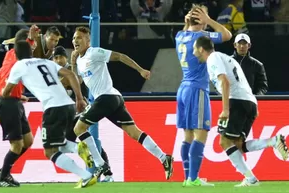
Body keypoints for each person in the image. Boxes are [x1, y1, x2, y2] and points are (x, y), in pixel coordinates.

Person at [71, 26, 173, 180]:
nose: (75, 41)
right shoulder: (79, 60)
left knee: (79, 128)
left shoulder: (94, 52)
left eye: (79, 38)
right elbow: (78, 81)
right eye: (73, 38)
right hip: (114, 98)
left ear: (87, 40)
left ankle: (100, 164)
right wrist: (73, 63)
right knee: (134, 132)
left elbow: (119, 56)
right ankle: (164, 158)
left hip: (106, 97)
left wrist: (140, 70)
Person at [193, 36, 289, 187]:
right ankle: (272, 142)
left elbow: (225, 81)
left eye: (194, 50)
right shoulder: (228, 59)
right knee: (238, 144)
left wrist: (225, 110)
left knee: (224, 142)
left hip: (236, 101)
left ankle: (250, 178)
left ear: (201, 49)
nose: (194, 53)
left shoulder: (213, 58)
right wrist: (253, 105)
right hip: (248, 102)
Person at [2, 41, 97, 188]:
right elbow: (71, 74)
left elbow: (6, 92)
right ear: (31, 52)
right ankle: (74, 147)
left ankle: (85, 174)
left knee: (49, 151)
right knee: (59, 145)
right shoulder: (46, 62)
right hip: (68, 105)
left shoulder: (19, 66)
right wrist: (79, 98)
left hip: (53, 108)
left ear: (16, 54)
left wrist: (11, 95)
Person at [175, 4, 232, 186]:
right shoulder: (202, 37)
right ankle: (193, 179)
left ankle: (186, 178)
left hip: (183, 88)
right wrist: (209, 21)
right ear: (200, 20)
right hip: (197, 89)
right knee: (201, 134)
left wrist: (188, 23)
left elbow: (187, 31)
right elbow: (227, 35)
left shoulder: (179, 35)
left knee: (188, 136)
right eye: (205, 16)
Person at [52, 46, 115, 181]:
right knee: (71, 146)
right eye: (55, 58)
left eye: (60, 57)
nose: (58, 60)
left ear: (66, 57)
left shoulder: (71, 69)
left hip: (82, 113)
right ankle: (102, 168)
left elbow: (78, 80)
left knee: (83, 143)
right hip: (70, 117)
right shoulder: (55, 73)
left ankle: (104, 172)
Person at [0, 25, 62, 103]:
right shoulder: (36, 40)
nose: (53, 43)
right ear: (45, 36)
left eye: (56, 41)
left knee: (19, 73)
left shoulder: (49, 50)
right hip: (4, 50)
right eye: (51, 39)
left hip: (13, 55)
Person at [0, 29, 39, 187]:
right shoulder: (18, 59)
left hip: (14, 101)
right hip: (8, 104)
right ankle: (2, 178)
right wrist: (31, 40)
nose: (33, 48)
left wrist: (17, 93)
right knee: (17, 145)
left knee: (28, 141)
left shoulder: (10, 55)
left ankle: (3, 172)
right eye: (31, 45)